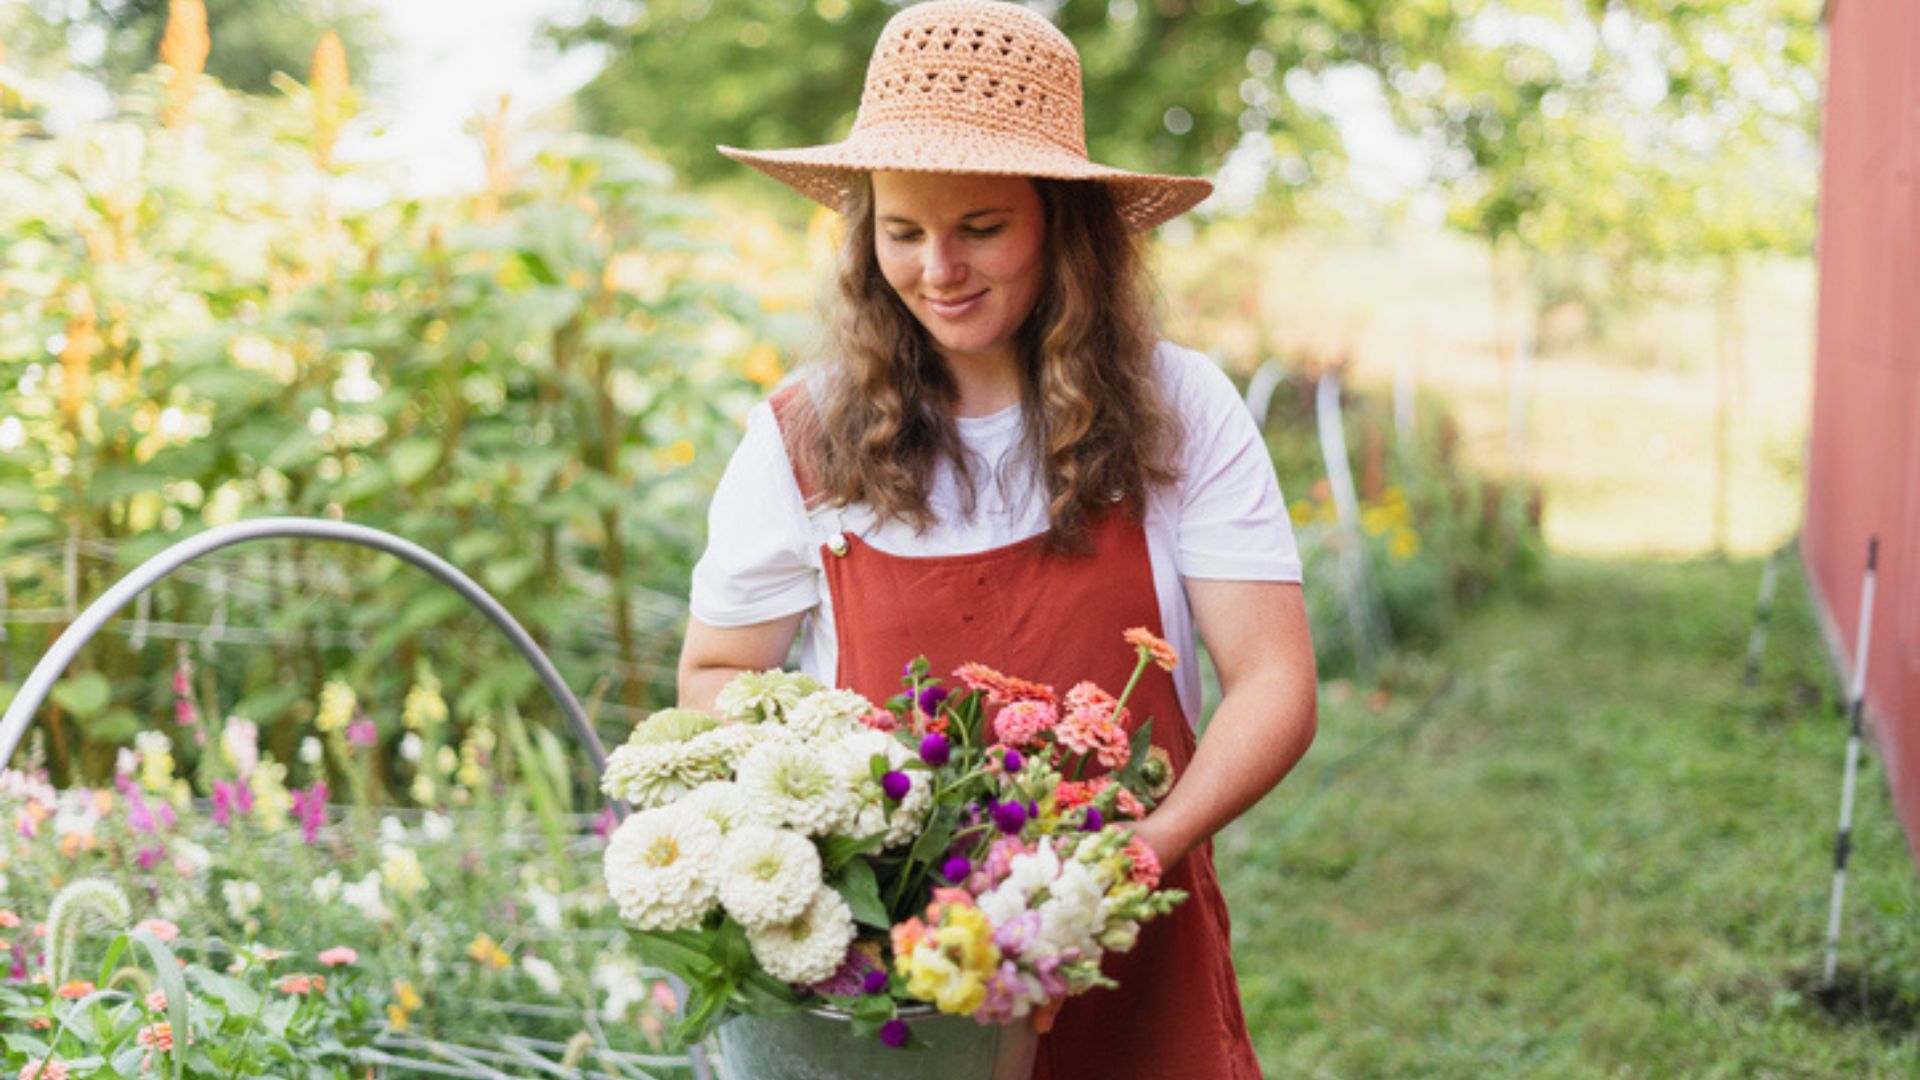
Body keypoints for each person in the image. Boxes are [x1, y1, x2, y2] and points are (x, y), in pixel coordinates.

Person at [679, 2, 1317, 1076]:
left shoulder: (1177, 408)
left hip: (1127, 945)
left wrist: (1130, 861)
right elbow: (714, 674)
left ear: (1063, 226)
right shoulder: (803, 436)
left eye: (981, 227)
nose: (939, 269)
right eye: (902, 232)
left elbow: (1275, 683)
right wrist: (827, 828)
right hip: (900, 984)